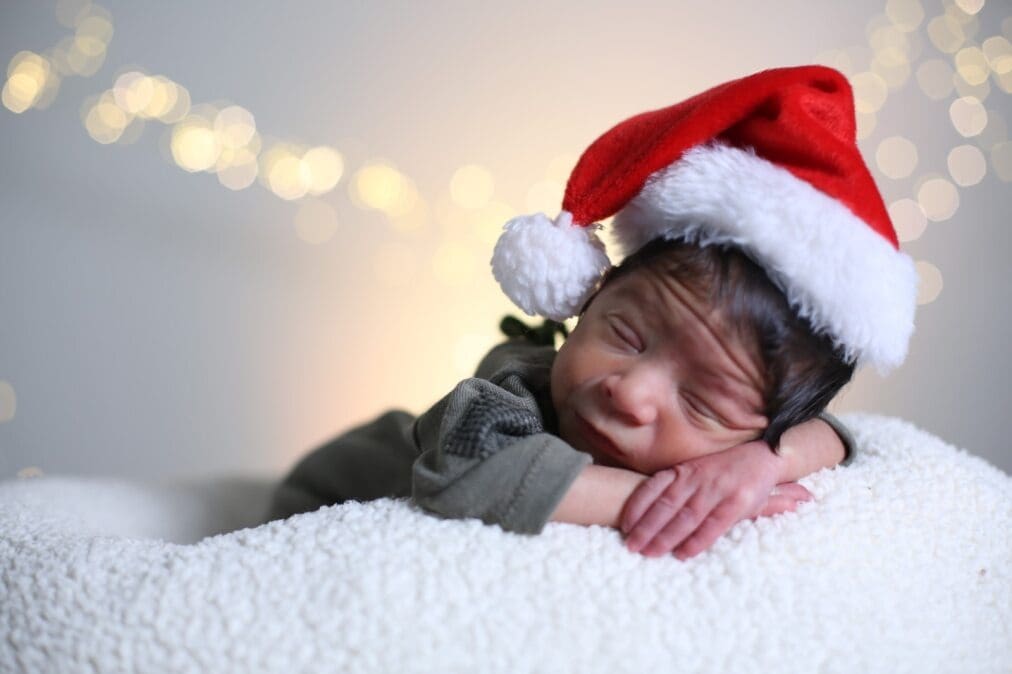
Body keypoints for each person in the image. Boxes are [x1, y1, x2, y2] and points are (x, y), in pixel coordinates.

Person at [264, 65, 918, 561]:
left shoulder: (755, 441)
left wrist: (763, 465)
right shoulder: (514, 386)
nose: (630, 392)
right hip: (322, 491)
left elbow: (834, 434)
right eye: (626, 335)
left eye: (702, 400)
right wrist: (663, 500)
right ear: (591, 297)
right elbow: (464, 476)